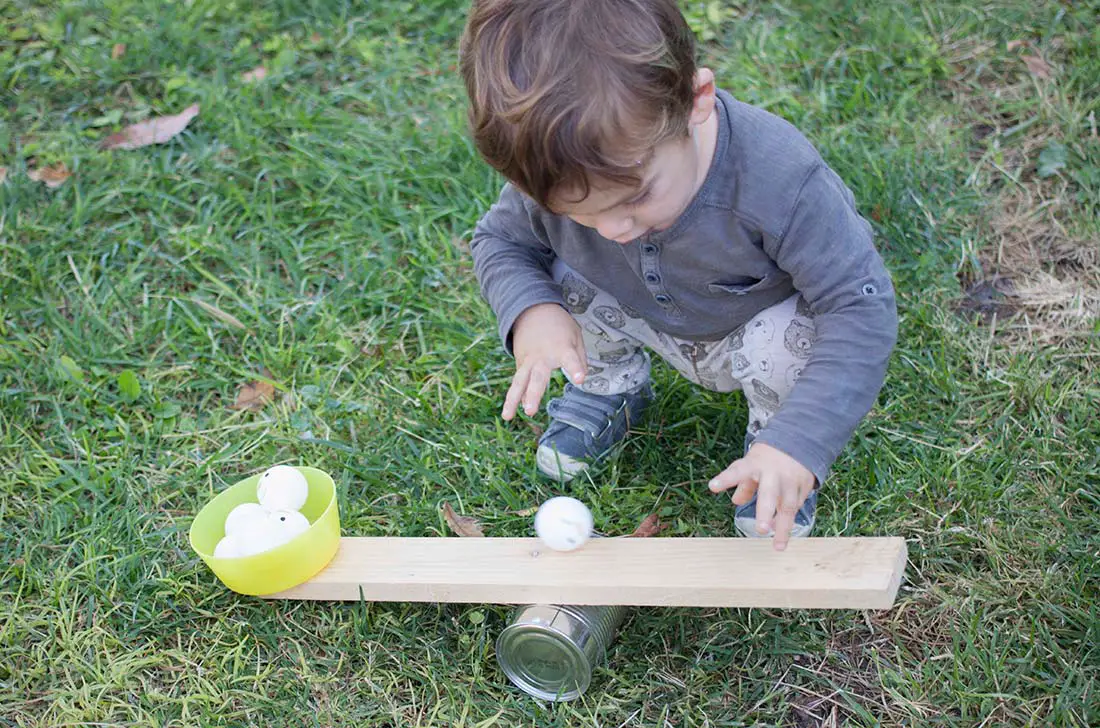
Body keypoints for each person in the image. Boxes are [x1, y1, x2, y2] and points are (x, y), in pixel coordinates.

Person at [458, 0, 897, 550]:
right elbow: (499, 240)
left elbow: (859, 304)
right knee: (556, 281)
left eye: (637, 196)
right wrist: (533, 313)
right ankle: (609, 386)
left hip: (752, 330)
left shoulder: (780, 181)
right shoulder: (564, 174)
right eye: (579, 212)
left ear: (696, 102)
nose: (613, 228)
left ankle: (777, 452)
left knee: (789, 342)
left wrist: (800, 440)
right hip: (635, 309)